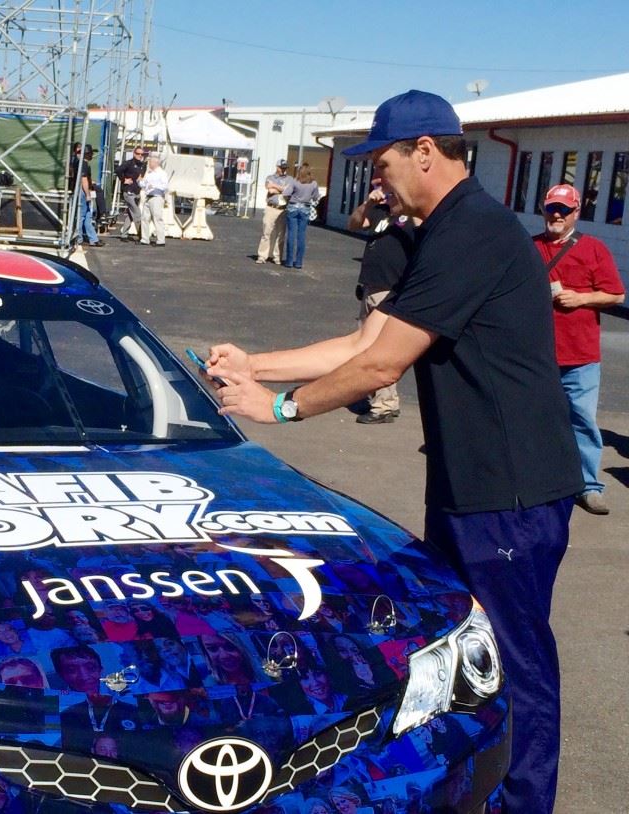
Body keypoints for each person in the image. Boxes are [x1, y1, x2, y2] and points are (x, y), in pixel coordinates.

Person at [205, 90, 582, 814]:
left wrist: (280, 408)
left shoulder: (475, 229)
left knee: (514, 663)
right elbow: (361, 341)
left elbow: (383, 366)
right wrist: (256, 363)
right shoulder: (445, 232)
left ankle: (525, 801)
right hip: (473, 488)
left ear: (427, 152)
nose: (378, 181)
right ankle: (474, 786)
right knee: (464, 651)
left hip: (511, 492)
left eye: (383, 164)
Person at [533, 183, 625, 515]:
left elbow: (616, 295)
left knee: (582, 420)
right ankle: (542, 481)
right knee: (537, 419)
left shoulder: (594, 249)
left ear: (576, 213)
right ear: (543, 210)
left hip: (581, 355)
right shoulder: (530, 248)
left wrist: (581, 298)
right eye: (551, 209)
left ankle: (588, 485)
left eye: (563, 210)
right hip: (538, 354)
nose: (556, 215)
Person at [348, 180, 418, 423]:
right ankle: (379, 398)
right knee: (364, 345)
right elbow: (355, 223)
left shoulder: (409, 216)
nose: (383, 191)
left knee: (379, 348)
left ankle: (385, 405)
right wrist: (368, 202)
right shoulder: (379, 212)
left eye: (387, 187)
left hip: (390, 288)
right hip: (371, 286)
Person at [284, 163, 321, 269]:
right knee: (301, 235)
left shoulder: (295, 181)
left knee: (291, 234)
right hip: (305, 208)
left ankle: (289, 261)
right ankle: (299, 262)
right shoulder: (313, 183)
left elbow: (286, 193)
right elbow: (315, 197)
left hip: (293, 207)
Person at [256, 159, 293, 264]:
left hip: (282, 209)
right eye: (281, 168)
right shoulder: (270, 177)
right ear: (277, 167)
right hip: (271, 208)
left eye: (285, 168)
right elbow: (270, 189)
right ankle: (262, 256)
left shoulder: (290, 179)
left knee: (280, 234)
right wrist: (282, 189)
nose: (283, 170)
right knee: (266, 232)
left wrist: (276, 187)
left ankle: (277, 257)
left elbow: (288, 191)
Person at [74, 144, 104, 247]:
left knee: (87, 216)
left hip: (83, 191)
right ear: (87, 154)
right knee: (82, 216)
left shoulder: (82, 163)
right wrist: (87, 194)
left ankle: (93, 239)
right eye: (91, 153)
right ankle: (78, 238)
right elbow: (83, 180)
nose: (92, 155)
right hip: (82, 192)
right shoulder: (83, 164)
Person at [116, 146, 146, 241]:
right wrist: (123, 179)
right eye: (138, 153)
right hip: (128, 192)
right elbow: (118, 170)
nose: (140, 156)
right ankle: (142, 235)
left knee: (131, 214)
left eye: (142, 154)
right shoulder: (128, 163)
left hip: (137, 192)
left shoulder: (142, 165)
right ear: (134, 153)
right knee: (137, 213)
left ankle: (124, 234)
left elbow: (141, 176)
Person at [139, 154, 169, 247]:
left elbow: (165, 186)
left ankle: (161, 240)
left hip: (157, 197)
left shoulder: (162, 173)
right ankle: (145, 239)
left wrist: (155, 186)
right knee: (144, 218)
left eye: (150, 162)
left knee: (157, 218)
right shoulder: (149, 173)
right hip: (148, 197)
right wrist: (139, 182)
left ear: (155, 163)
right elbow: (144, 184)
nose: (149, 163)